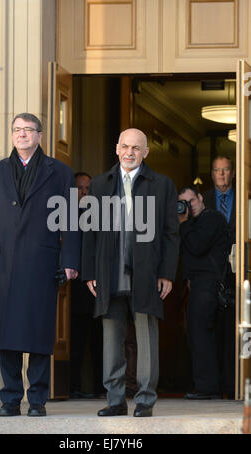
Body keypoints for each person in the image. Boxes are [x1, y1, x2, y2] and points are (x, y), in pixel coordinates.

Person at [0, 113, 80, 417]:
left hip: (42, 260)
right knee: (6, 332)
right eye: (17, 130)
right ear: (12, 135)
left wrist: (70, 260)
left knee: (39, 331)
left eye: (28, 130)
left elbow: (71, 221)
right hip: (3, 260)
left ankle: (37, 400)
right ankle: (9, 400)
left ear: (40, 135)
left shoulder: (60, 172)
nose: (22, 134)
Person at [81, 128, 179, 417]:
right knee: (112, 337)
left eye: (136, 148)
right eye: (125, 146)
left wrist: (167, 273)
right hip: (109, 271)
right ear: (116, 148)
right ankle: (115, 400)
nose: (130, 152)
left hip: (147, 272)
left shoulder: (162, 185)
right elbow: (90, 232)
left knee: (146, 335)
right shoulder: (100, 184)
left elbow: (171, 234)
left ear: (146, 152)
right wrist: (90, 272)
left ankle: (145, 399)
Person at [178, 187, 230, 399]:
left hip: (208, 285)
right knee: (198, 335)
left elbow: (198, 246)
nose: (189, 207)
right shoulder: (192, 223)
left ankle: (206, 388)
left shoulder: (212, 219)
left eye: (192, 201)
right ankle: (208, 386)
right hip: (198, 286)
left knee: (201, 336)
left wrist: (183, 223)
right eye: (183, 203)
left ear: (201, 198)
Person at [202, 155, 236, 398]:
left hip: (238, 272)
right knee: (208, 330)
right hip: (208, 274)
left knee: (234, 331)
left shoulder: (246, 196)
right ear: (211, 173)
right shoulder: (201, 200)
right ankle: (210, 386)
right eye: (217, 170)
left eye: (225, 170)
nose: (221, 175)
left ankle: (232, 385)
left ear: (233, 173)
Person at [70, 172, 104, 398]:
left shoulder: (101, 216)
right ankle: (72, 387)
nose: (84, 192)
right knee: (77, 340)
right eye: (80, 188)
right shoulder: (66, 215)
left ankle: (102, 388)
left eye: (87, 188)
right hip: (74, 289)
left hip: (98, 287)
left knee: (100, 340)